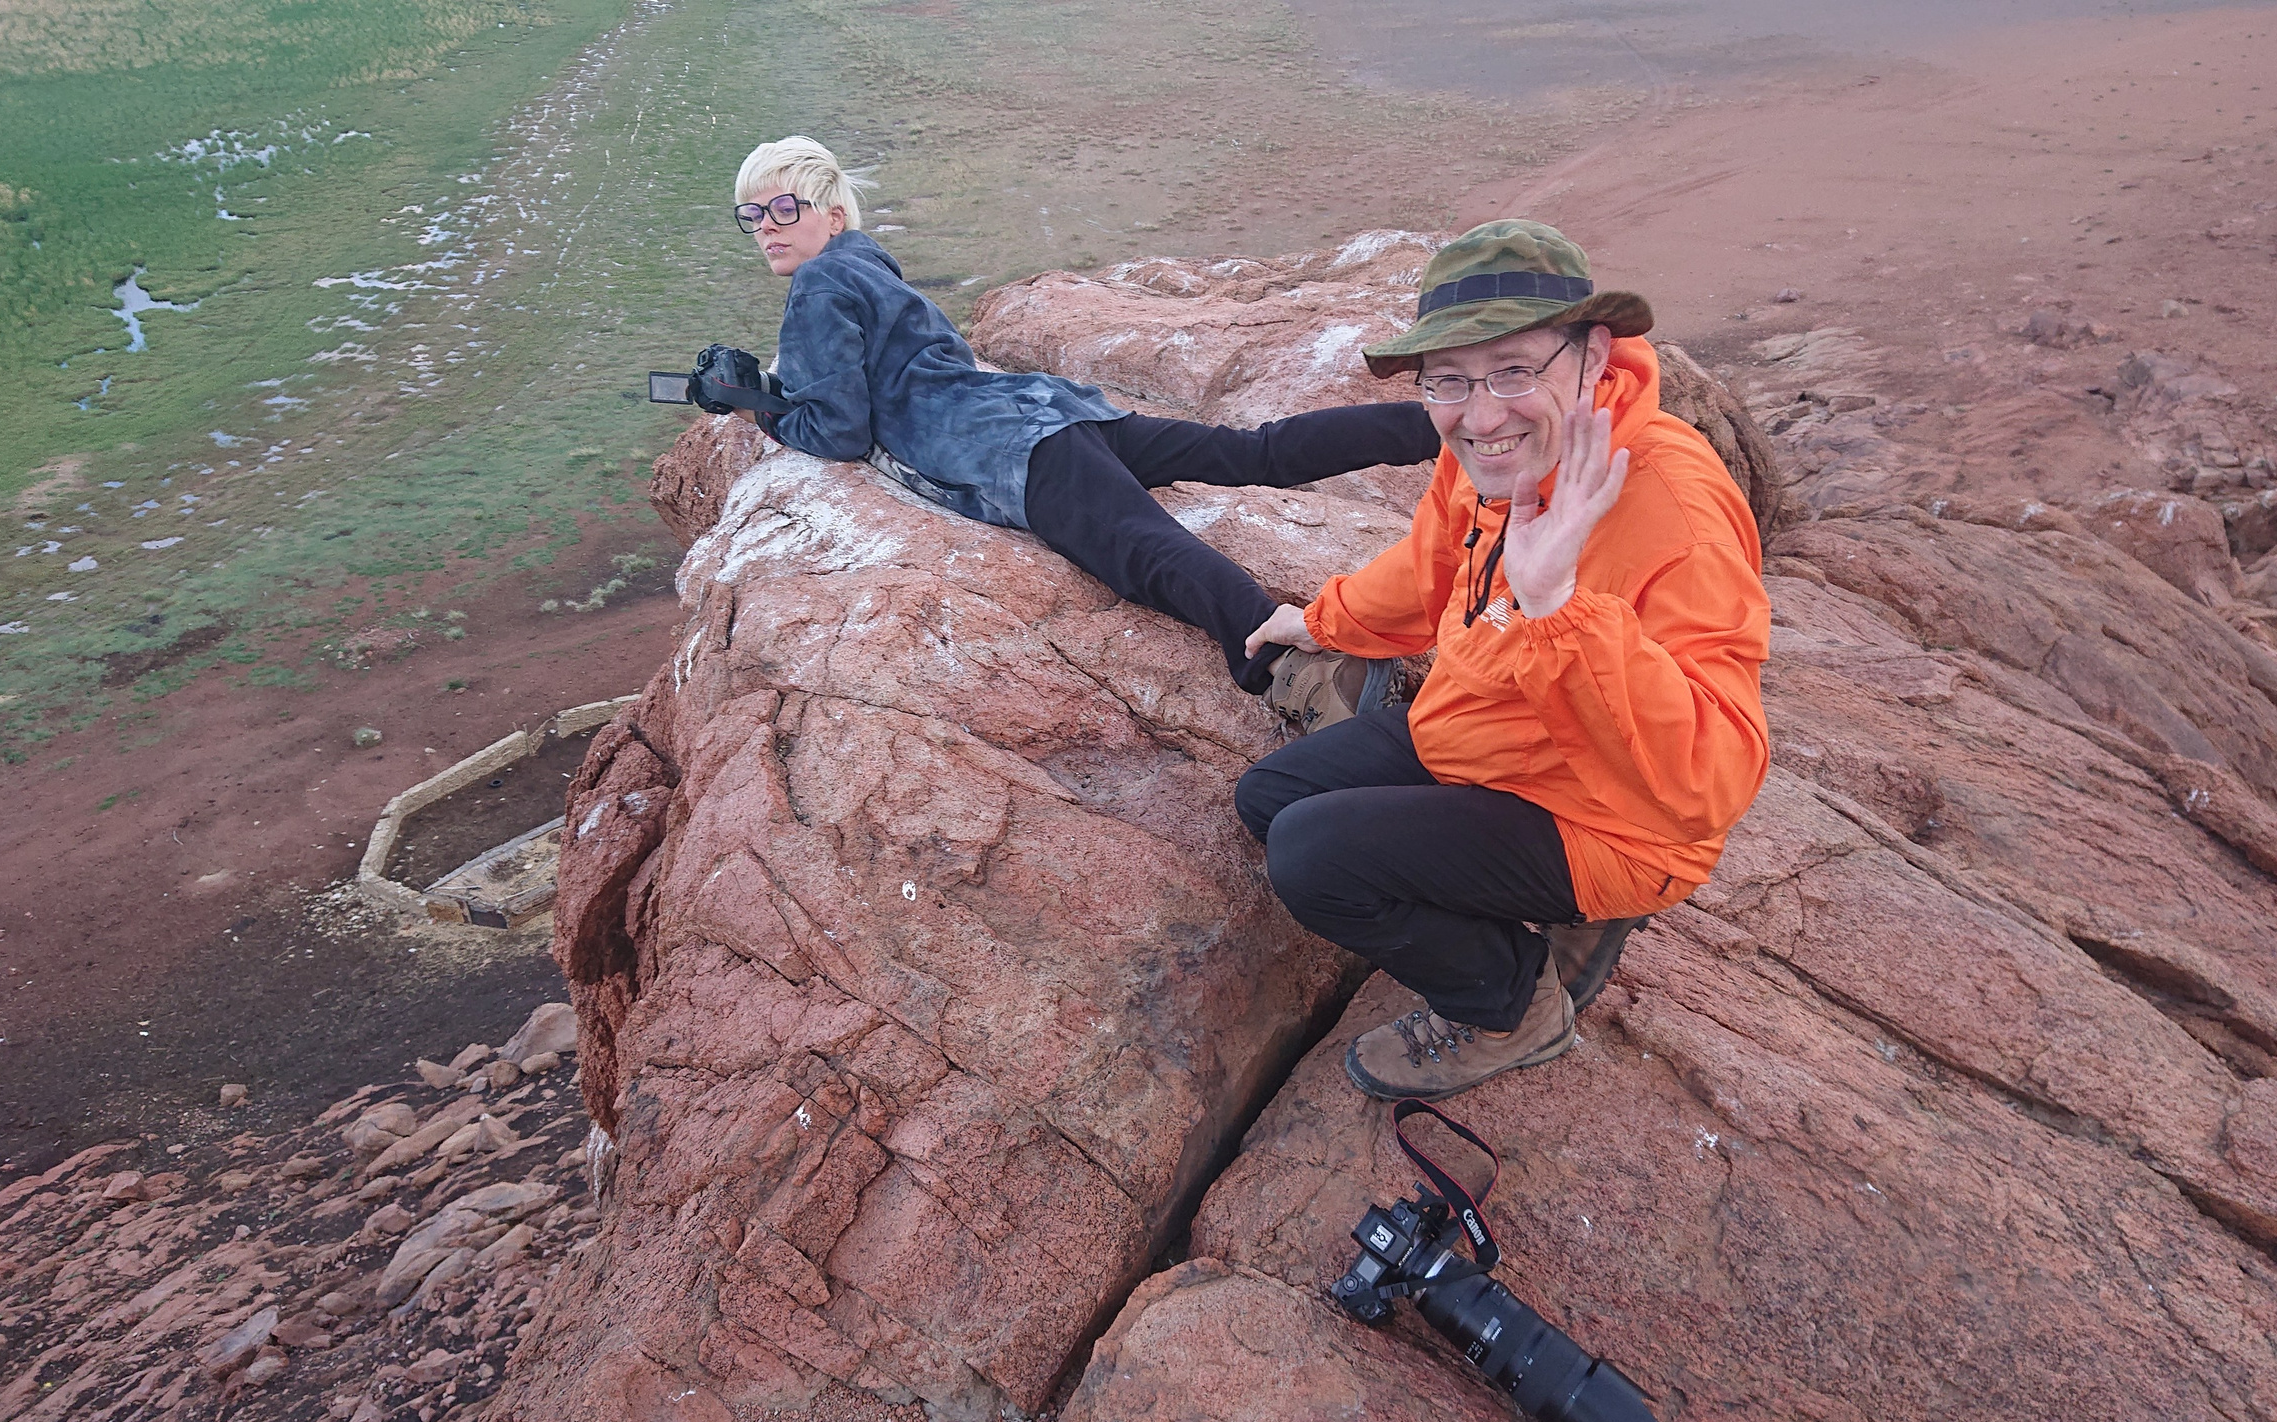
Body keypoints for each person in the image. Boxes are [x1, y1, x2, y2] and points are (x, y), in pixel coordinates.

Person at [1234, 219, 1772, 1101]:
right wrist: (1322, 618)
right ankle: (1507, 901)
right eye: (1447, 380)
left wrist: (1558, 604)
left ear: (1594, 356)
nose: (1480, 414)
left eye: (1515, 370)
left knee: (1311, 858)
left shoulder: (1673, 507)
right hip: (1490, 732)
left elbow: (1712, 780)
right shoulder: (1490, 454)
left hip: (1615, 808)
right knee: (1269, 800)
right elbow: (1428, 569)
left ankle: (1513, 1003)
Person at [728, 136, 1440, 722]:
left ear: (831, 215)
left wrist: (759, 409)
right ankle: (1434, 421)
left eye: (783, 208)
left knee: (1152, 555)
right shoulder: (865, 263)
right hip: (1056, 412)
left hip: (1014, 454)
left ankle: (1298, 671)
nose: (766, 225)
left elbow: (842, 431)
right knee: (1252, 450)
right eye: (751, 213)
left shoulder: (817, 285)